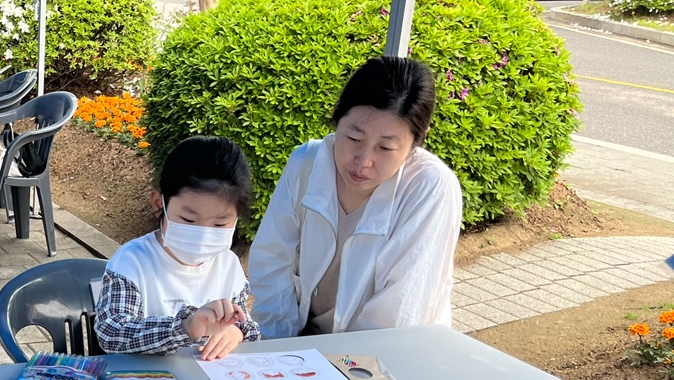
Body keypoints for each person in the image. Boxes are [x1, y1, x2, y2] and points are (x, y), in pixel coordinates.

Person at [247, 56, 463, 339]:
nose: (363, 161)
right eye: (353, 138)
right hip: (301, 341)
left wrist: (341, 361)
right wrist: (279, 345)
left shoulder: (430, 188)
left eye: (385, 148)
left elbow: (399, 311)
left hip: (383, 352)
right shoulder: (306, 163)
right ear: (338, 119)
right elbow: (272, 260)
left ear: (417, 141)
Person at [95, 136, 261, 361]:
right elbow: (111, 333)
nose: (203, 234)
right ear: (159, 204)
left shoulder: (227, 265)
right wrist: (185, 328)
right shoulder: (132, 262)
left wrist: (237, 331)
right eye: (189, 220)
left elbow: (245, 324)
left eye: (220, 224)